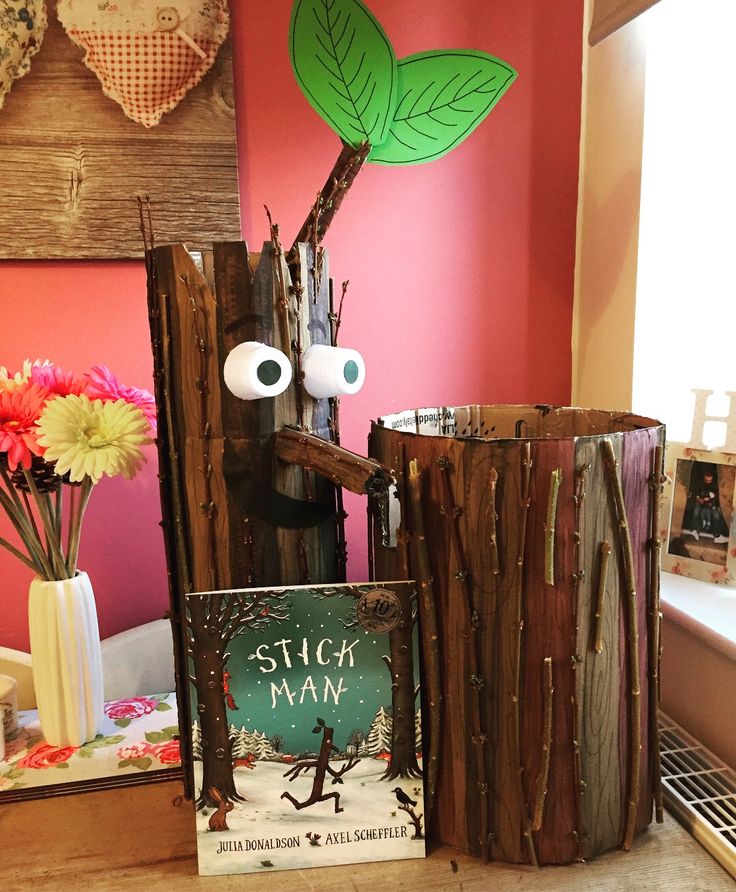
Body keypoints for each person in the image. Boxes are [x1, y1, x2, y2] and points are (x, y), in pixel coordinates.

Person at [681, 462, 730, 544]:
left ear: (712, 479)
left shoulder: (715, 484)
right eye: (706, 480)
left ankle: (717, 536)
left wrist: (712, 496)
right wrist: (698, 498)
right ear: (704, 478)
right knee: (696, 512)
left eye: (710, 480)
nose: (708, 482)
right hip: (700, 503)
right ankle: (694, 531)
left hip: (711, 504)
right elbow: (694, 493)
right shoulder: (699, 483)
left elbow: (718, 496)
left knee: (716, 515)